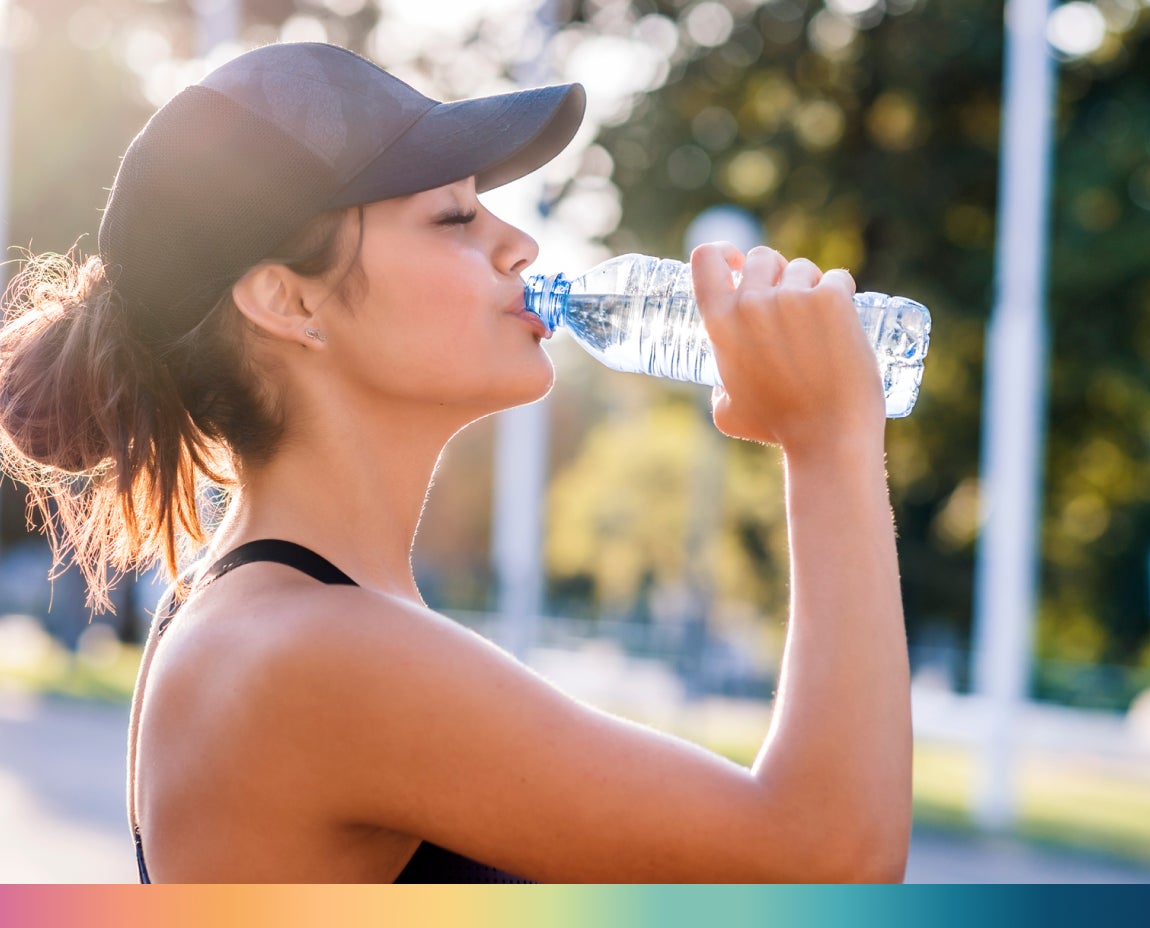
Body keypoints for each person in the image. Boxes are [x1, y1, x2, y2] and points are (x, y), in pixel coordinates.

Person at [0, 42, 911, 883]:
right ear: (286, 300)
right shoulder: (316, 653)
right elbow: (828, 864)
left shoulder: (275, 617)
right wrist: (828, 444)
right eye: (454, 216)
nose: (520, 246)